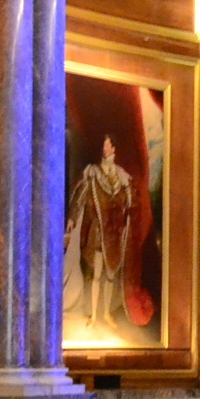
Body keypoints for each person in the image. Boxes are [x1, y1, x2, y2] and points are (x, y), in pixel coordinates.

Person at [67, 135, 136, 329]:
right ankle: (95, 315)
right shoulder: (93, 173)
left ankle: (106, 313)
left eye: (108, 145)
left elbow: (130, 203)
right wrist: (72, 219)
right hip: (98, 233)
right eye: (103, 145)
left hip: (115, 232)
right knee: (96, 274)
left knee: (110, 275)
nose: (105, 149)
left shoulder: (122, 177)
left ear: (114, 149)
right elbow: (80, 196)